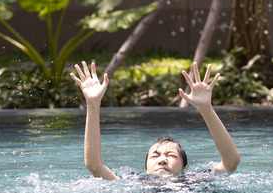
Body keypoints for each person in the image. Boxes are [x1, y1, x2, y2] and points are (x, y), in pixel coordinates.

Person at [71, 61, 240, 181]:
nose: (162, 160)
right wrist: (93, 104)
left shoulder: (195, 180)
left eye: (171, 155)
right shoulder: (133, 183)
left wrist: (206, 109)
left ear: (185, 168)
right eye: (155, 156)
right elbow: (94, 166)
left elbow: (231, 162)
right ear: (145, 169)